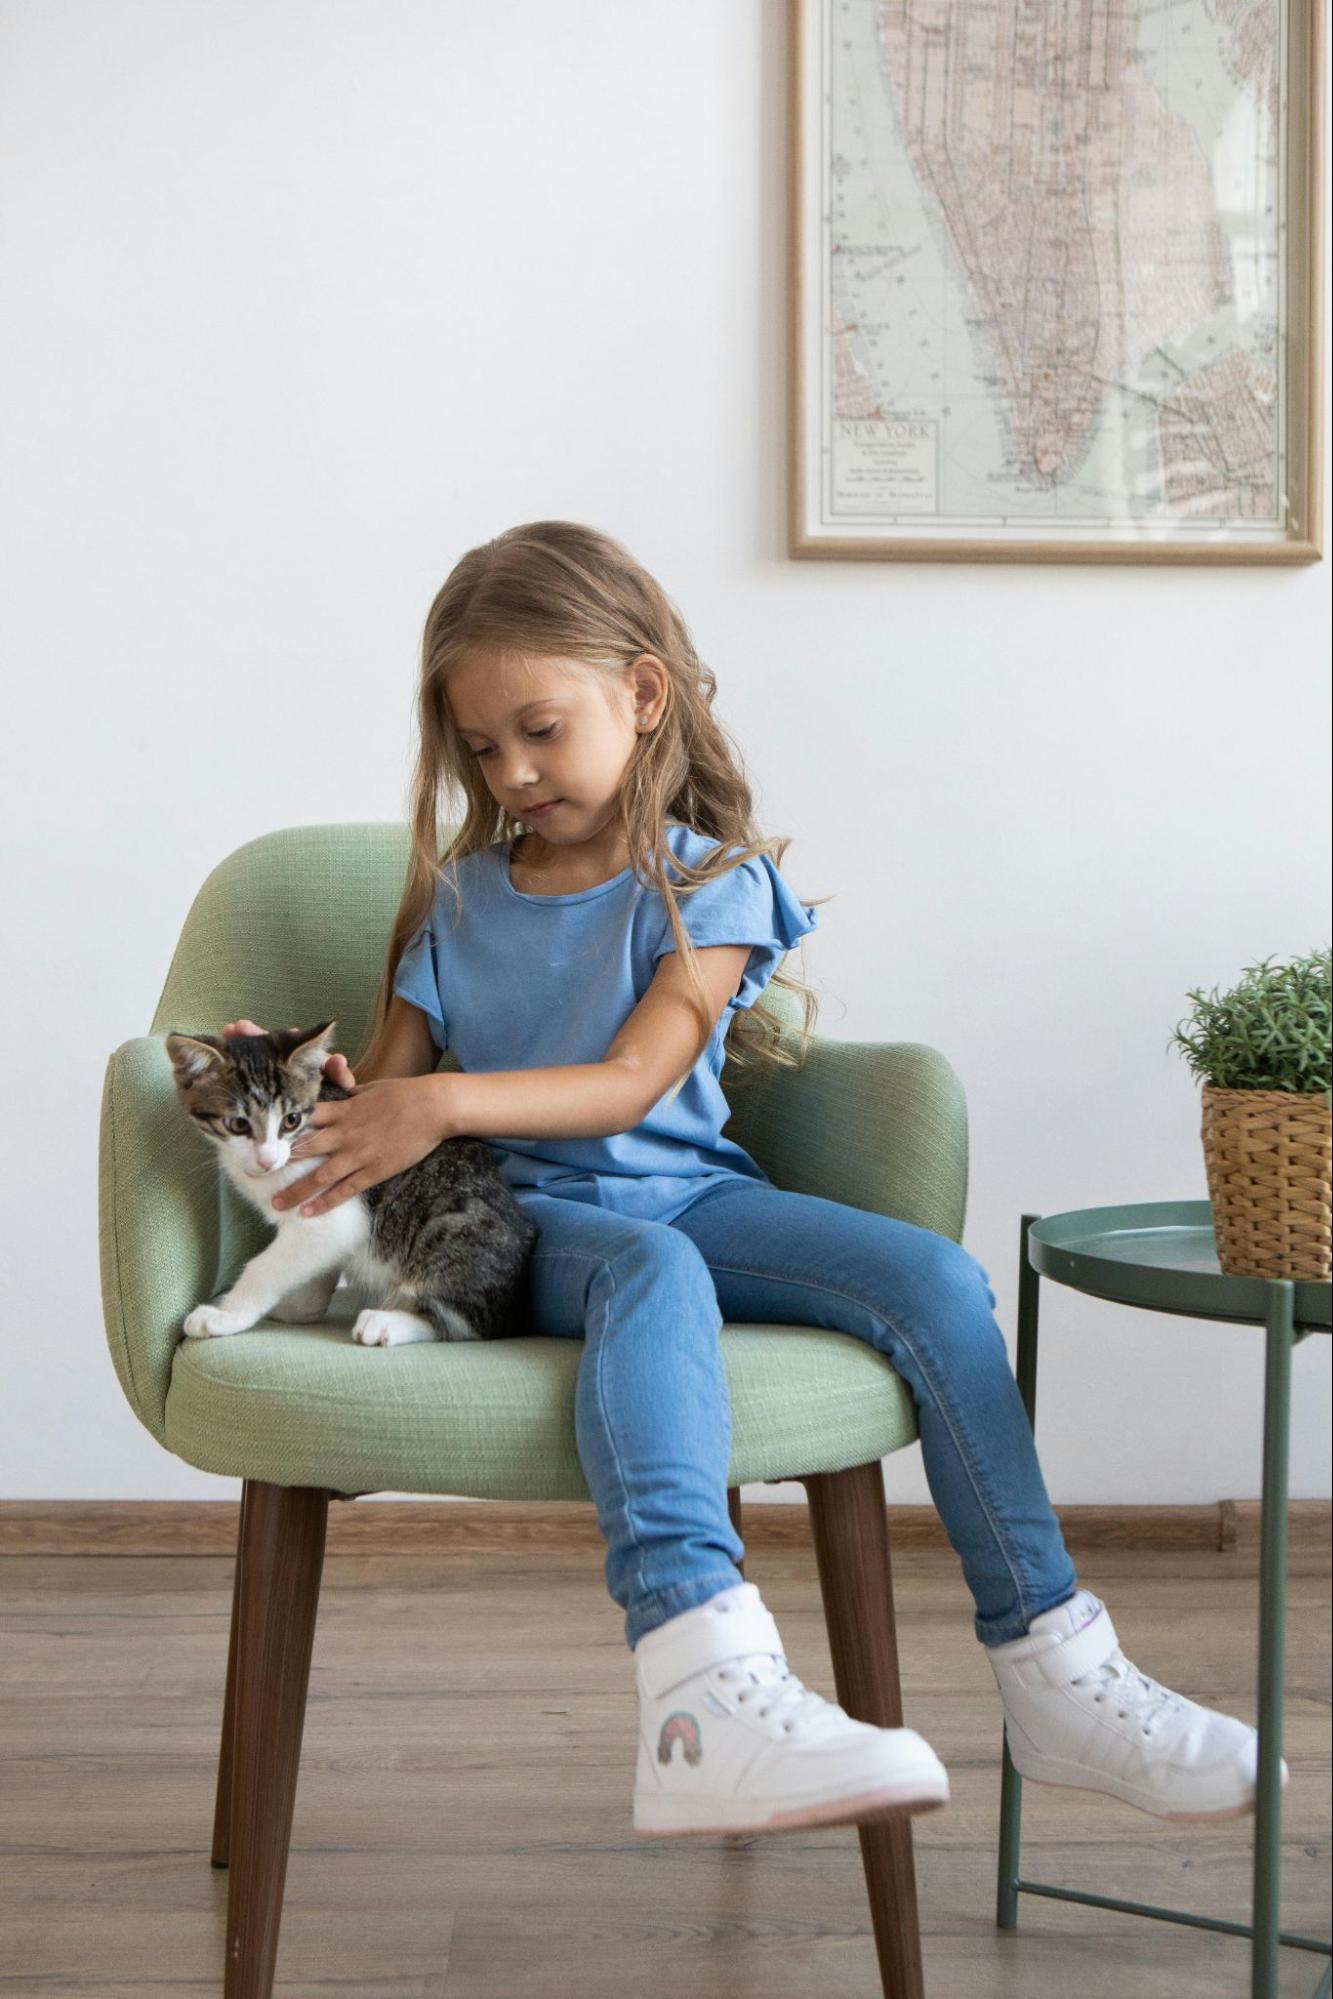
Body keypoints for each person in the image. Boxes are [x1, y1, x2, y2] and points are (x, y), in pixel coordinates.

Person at [223, 518, 1282, 1841]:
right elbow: (382, 1102)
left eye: (539, 729)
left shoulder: (714, 884)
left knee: (934, 1282)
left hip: (696, 1194)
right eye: (481, 747)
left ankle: (1055, 1668)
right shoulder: (457, 900)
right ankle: (702, 1687)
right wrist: (328, 1105)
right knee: (648, 1271)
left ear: (643, 693)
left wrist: (433, 1096)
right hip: (525, 1222)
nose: (512, 770)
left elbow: (630, 1081)